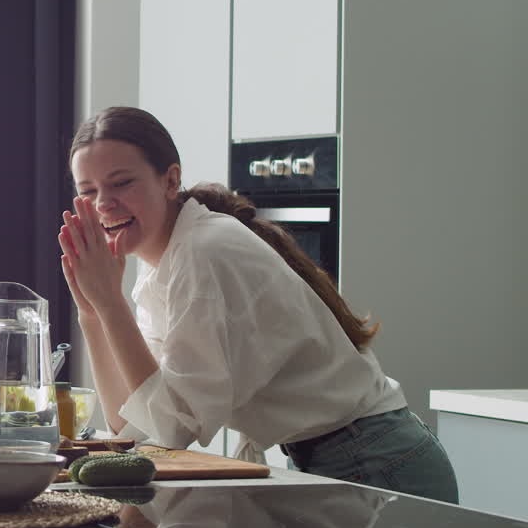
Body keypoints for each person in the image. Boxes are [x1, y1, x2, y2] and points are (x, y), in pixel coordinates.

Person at [57, 106, 457, 503]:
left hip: (377, 461)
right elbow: (132, 426)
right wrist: (91, 313)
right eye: (87, 191)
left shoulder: (204, 253)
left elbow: (172, 428)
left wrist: (110, 305)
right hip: (339, 457)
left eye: (122, 183)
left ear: (170, 180)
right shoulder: (162, 262)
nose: (103, 204)